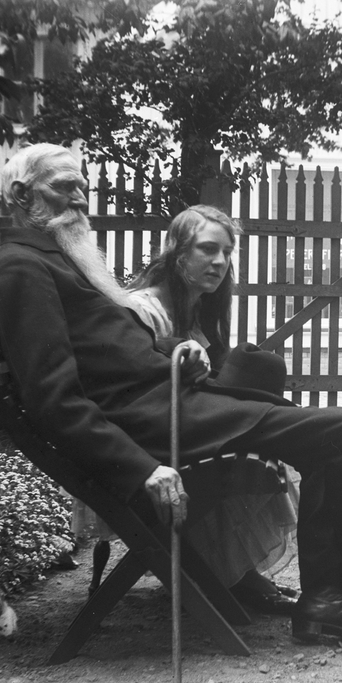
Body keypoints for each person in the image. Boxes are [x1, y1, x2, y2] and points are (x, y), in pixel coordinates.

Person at [0, 143, 342, 645]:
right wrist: (142, 469)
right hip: (149, 422)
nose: (80, 198)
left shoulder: (56, 261)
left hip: (167, 402)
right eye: (64, 187)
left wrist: (174, 349)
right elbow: (53, 400)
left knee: (330, 427)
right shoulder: (22, 270)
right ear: (22, 195)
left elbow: (107, 350)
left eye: (82, 187)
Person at [126, 204, 300, 615]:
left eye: (226, 252)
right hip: (151, 448)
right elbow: (133, 388)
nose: (220, 261)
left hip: (187, 431)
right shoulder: (142, 310)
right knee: (247, 444)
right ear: (177, 251)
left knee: (258, 427)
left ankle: (231, 573)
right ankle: (227, 576)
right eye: (207, 249)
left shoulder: (196, 311)